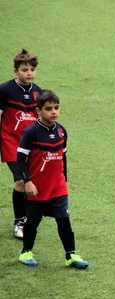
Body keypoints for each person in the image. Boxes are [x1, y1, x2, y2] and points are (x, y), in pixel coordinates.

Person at [13, 90, 88, 269]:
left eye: (56, 108)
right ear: (38, 111)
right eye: (48, 109)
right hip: (37, 187)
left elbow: (63, 158)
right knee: (33, 221)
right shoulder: (30, 133)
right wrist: (27, 181)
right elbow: (20, 160)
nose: (54, 112)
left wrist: (64, 180)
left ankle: (71, 255)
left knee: (64, 220)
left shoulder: (62, 131)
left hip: (58, 187)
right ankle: (26, 252)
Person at [0, 49, 43, 239]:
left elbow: (40, 119)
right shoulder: (5, 90)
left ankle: (25, 217)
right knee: (20, 180)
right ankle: (20, 221)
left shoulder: (39, 93)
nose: (29, 73)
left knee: (28, 182)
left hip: (30, 144)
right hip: (10, 141)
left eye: (32, 69)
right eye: (25, 69)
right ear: (16, 70)